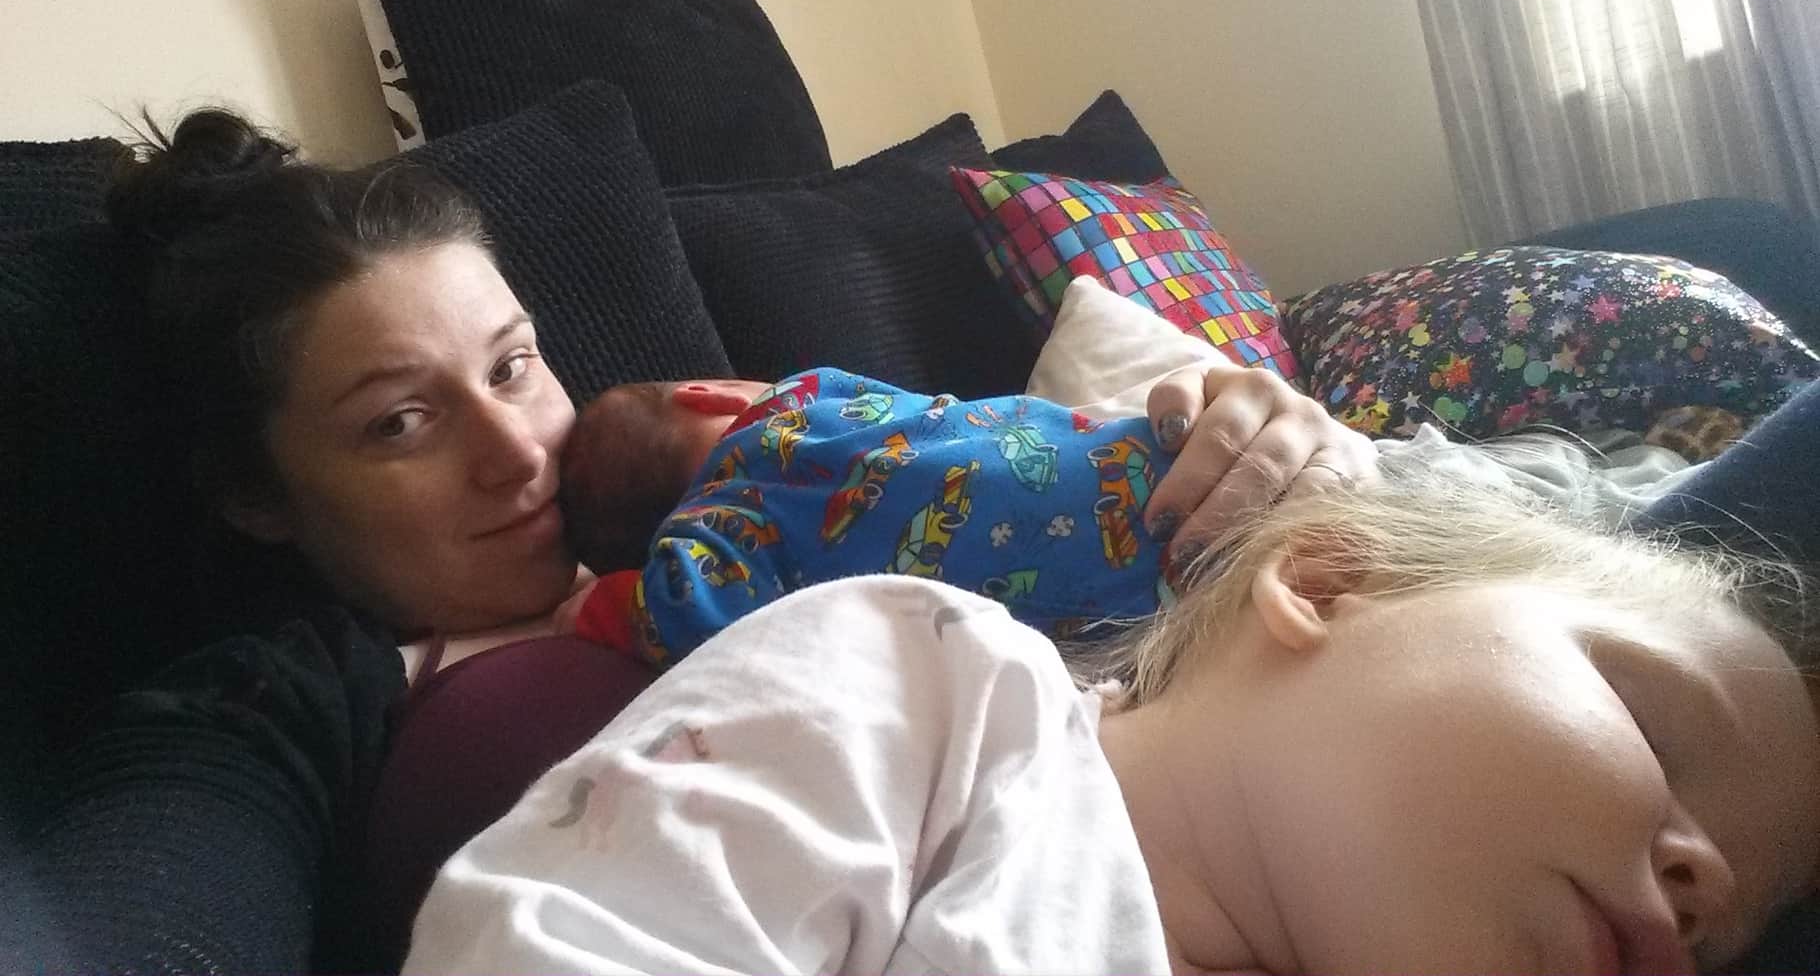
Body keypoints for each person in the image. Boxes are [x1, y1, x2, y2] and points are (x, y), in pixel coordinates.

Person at [0, 107, 1373, 974]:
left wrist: (1261, 450)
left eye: (514, 364)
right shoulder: (277, 705)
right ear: (256, 494)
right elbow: (134, 902)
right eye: (401, 421)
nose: (515, 449)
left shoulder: (726, 492)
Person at [403, 459, 1820, 975]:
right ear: (1330, 581)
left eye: (1725, 942)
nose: (1699, 890)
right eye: (1657, 730)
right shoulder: (939, 692)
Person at [557, 367, 1236, 668]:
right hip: (1136, 454)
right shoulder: (810, 393)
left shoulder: (726, 535)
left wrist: (596, 603)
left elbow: (676, 610)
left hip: (1125, 596)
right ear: (707, 394)